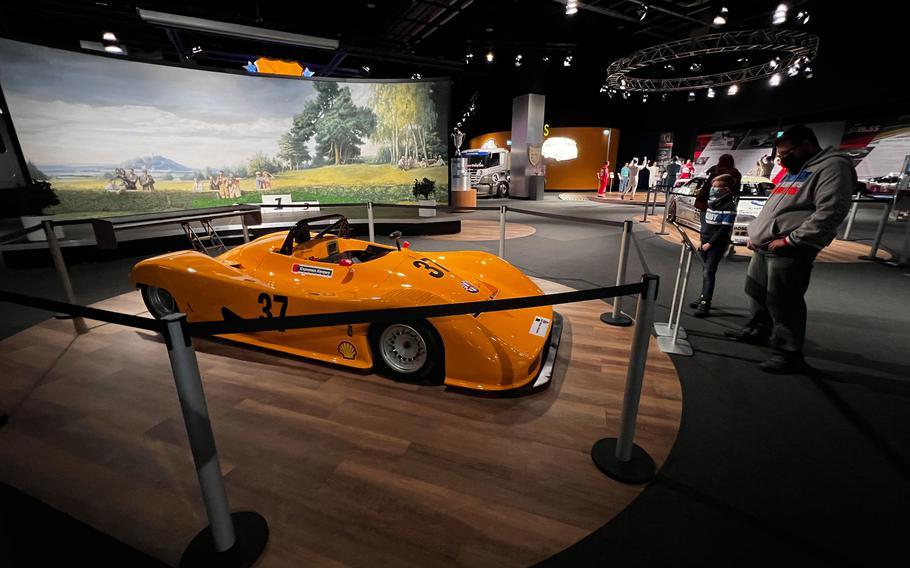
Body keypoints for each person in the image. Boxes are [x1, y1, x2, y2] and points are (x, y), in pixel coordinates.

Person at [724, 125, 856, 373]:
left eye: (786, 154)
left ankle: (787, 352)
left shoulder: (833, 167)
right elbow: (774, 206)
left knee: (783, 300)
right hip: (766, 245)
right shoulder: (796, 169)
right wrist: (756, 233)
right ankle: (758, 329)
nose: (782, 160)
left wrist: (791, 240)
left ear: (806, 145)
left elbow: (830, 212)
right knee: (756, 291)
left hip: (789, 249)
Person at [690, 174, 737, 317]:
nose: (713, 189)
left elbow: (724, 229)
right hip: (705, 242)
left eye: (717, 187)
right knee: (705, 271)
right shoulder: (711, 203)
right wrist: (701, 240)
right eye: (713, 186)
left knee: (709, 272)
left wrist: (710, 244)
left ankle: (705, 303)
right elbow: (705, 225)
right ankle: (702, 296)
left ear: (726, 189)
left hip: (715, 245)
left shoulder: (729, 206)